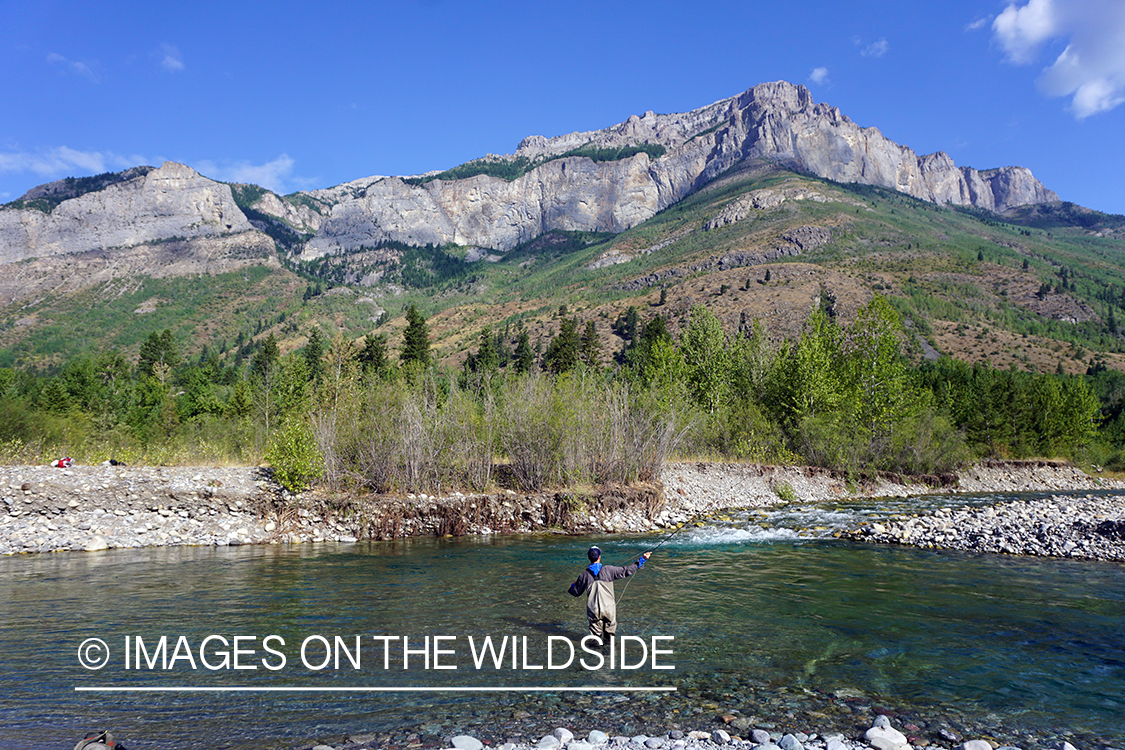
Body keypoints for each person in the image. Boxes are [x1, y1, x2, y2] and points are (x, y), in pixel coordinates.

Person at [567, 546, 652, 646]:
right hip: (609, 610)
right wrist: (642, 559)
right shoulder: (609, 570)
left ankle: (595, 658)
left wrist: (573, 585)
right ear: (599, 557)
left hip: (594, 610)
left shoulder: (584, 575)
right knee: (610, 638)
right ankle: (609, 657)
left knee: (595, 639)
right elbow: (627, 570)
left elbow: (575, 593)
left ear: (589, 558)